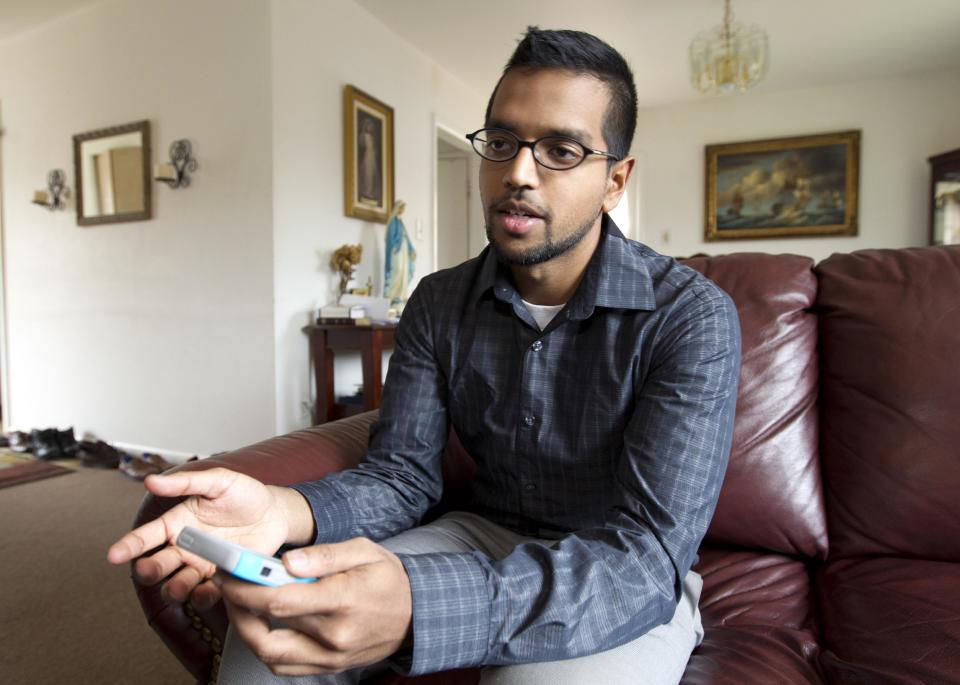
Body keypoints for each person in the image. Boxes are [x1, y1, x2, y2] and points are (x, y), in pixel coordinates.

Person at [108, 27, 740, 685]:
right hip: (477, 533)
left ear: (615, 180)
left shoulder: (691, 317)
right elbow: (401, 474)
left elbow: (644, 556)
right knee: (273, 641)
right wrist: (282, 510)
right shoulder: (438, 301)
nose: (518, 173)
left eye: (560, 149)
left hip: (610, 565)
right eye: (501, 142)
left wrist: (420, 605)